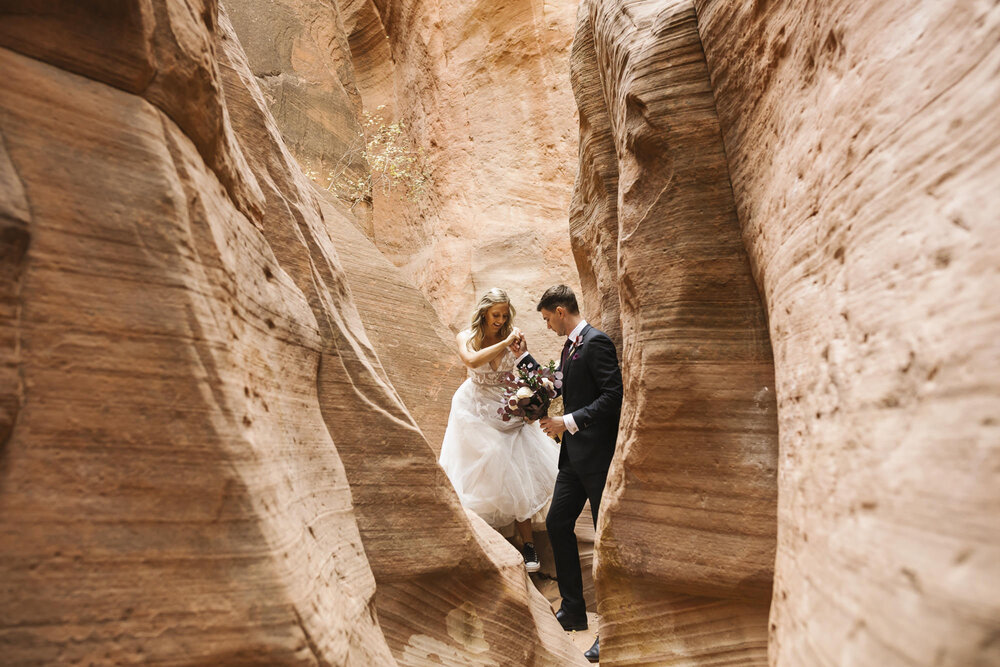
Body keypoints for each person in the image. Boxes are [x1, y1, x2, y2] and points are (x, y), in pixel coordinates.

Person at [511, 284, 622, 664]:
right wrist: (523, 358)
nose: (546, 326)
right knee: (558, 523)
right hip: (572, 460)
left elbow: (613, 395)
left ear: (561, 310)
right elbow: (556, 383)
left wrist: (566, 421)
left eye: (546, 318)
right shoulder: (570, 346)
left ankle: (613, 631)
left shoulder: (596, 342)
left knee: (608, 542)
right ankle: (573, 610)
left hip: (596, 456)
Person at [438, 288, 559, 572]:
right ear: (484, 312)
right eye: (496, 315)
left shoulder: (512, 335)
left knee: (519, 469)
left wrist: (532, 385)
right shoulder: (466, 336)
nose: (501, 320)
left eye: (505, 315)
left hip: (507, 407)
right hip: (475, 410)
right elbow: (471, 361)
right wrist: (505, 341)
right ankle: (483, 541)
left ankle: (528, 544)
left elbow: (524, 367)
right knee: (490, 462)